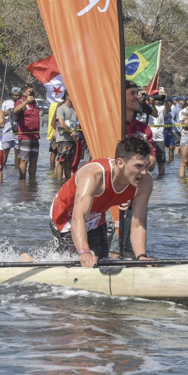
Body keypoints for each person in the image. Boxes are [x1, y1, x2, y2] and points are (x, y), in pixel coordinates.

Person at [47, 135, 155, 267]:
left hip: (96, 214)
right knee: (74, 262)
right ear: (120, 163)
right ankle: (29, 260)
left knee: (103, 262)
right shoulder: (94, 175)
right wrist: (84, 252)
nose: (144, 172)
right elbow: (78, 216)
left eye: (146, 166)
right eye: (138, 166)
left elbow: (138, 224)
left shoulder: (145, 182)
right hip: (66, 215)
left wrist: (141, 256)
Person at [14, 86, 42, 180]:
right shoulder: (20, 102)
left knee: (34, 160)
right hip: (25, 136)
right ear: (24, 93)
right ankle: (22, 180)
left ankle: (32, 181)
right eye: (29, 91)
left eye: (32, 91)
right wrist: (26, 102)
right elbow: (15, 110)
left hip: (35, 136)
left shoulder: (35, 103)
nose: (31, 93)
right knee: (24, 160)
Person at [54, 93, 79, 183]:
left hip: (72, 140)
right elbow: (62, 124)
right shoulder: (61, 108)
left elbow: (77, 124)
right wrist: (71, 133)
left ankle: (68, 183)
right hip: (63, 140)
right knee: (61, 162)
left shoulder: (74, 110)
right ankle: (59, 184)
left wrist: (75, 132)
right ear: (67, 96)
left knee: (69, 164)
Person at [148, 94, 168, 176]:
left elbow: (167, 110)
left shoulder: (161, 107)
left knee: (161, 162)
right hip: (149, 138)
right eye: (154, 97)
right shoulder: (146, 108)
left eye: (157, 97)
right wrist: (151, 103)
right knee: (148, 161)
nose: (156, 99)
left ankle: (161, 180)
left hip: (159, 138)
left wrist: (165, 99)